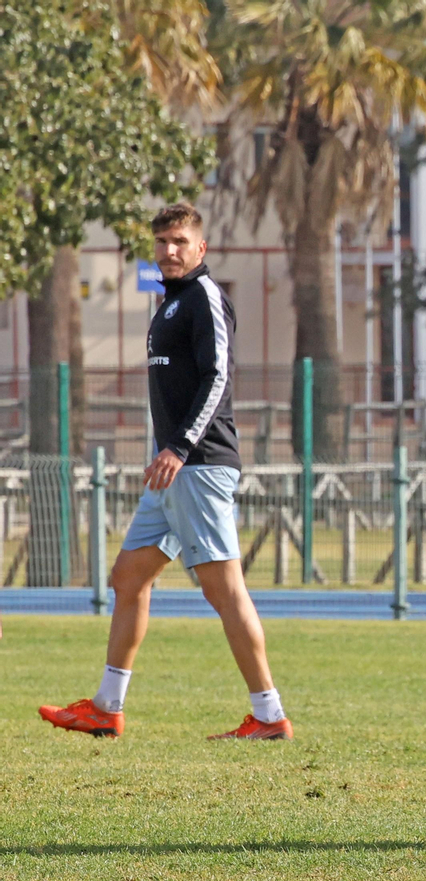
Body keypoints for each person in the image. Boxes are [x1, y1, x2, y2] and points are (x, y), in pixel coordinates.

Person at [39, 203, 292, 741]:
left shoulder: (203, 298)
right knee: (128, 578)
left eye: (179, 241)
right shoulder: (170, 303)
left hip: (196, 467)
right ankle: (107, 707)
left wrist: (177, 447)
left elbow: (218, 376)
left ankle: (269, 716)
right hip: (171, 472)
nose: (169, 251)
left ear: (200, 248)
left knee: (225, 592)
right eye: (161, 243)